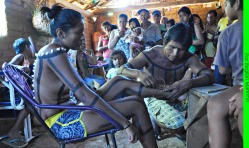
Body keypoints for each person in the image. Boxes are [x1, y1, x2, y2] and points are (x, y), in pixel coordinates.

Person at [31, 4, 162, 147]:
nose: (82, 38)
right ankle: (164, 94)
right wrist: (125, 124)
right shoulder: (54, 53)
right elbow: (84, 95)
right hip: (60, 123)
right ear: (61, 33)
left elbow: (82, 91)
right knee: (136, 104)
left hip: (71, 109)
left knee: (118, 81)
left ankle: (162, 92)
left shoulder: (54, 50)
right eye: (78, 32)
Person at [117, 23, 214, 139]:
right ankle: (177, 130)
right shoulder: (150, 54)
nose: (175, 54)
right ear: (164, 42)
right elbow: (121, 70)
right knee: (179, 125)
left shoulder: (189, 57)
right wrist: (138, 74)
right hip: (153, 96)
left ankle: (188, 134)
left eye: (181, 50)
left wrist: (188, 83)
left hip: (176, 96)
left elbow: (209, 76)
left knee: (207, 106)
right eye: (172, 47)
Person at [207, 0, 243, 147]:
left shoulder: (228, 33)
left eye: (227, 3)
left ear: (237, 4)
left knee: (215, 105)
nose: (225, 7)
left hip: (243, 85)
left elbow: (222, 70)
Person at [1, 38, 36, 147]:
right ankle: (14, 130)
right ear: (26, 47)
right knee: (31, 101)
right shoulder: (20, 56)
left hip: (16, 92)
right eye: (30, 47)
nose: (32, 49)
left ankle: (22, 130)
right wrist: (21, 67)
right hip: (10, 93)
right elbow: (7, 66)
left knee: (33, 98)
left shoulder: (26, 60)